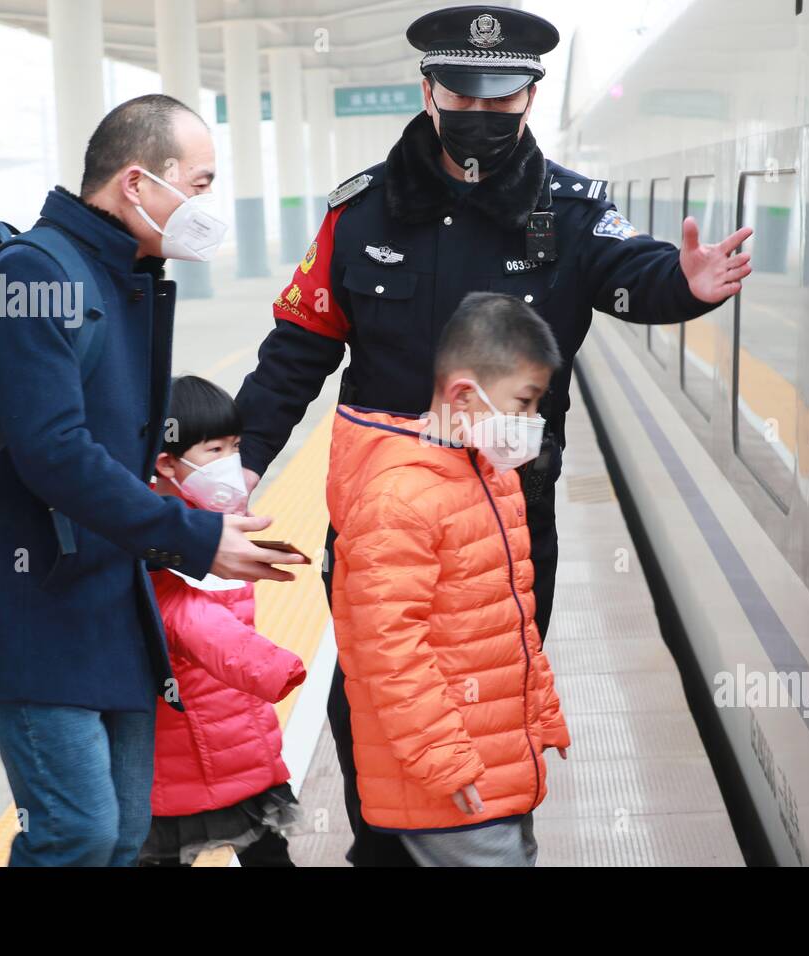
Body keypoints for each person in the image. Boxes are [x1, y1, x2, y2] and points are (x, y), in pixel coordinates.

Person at [234, 3, 752, 866]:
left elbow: (641, 277)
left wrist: (688, 286)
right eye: (464, 95)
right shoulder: (359, 216)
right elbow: (298, 349)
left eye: (503, 99)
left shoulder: (575, 212)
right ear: (429, 90)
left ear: (530, 99)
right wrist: (241, 465)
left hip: (510, 520)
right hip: (380, 518)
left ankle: (493, 838)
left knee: (493, 701)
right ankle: (387, 850)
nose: (483, 115)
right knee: (372, 700)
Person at [0, 95, 306, 866]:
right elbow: (55, 454)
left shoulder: (127, 274)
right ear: (139, 183)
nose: (207, 204)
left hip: (111, 602)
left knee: (127, 836)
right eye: (200, 184)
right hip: (32, 609)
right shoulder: (33, 276)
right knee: (77, 833)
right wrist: (195, 538)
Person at [327, 292, 569, 866]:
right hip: (449, 775)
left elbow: (509, 620)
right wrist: (442, 758)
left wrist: (541, 714)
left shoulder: (490, 475)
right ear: (464, 394)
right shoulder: (399, 498)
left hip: (496, 755)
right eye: (524, 403)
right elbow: (390, 650)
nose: (532, 423)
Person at [137, 376, 307, 868]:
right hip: (176, 750)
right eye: (215, 449)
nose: (232, 461)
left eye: (235, 446)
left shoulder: (225, 525)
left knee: (271, 858)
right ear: (166, 462)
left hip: (243, 741)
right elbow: (185, 616)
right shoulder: (149, 534)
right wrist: (267, 665)